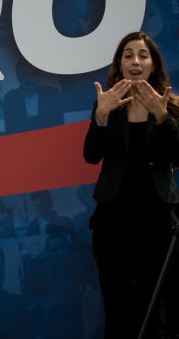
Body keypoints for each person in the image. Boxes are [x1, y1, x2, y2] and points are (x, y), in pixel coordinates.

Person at [83, 31, 179, 339]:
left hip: (157, 224)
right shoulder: (109, 104)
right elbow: (90, 156)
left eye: (142, 55)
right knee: (117, 306)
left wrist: (162, 117)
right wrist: (100, 115)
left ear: (153, 65)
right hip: (113, 223)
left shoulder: (169, 105)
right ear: (120, 64)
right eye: (128, 55)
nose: (135, 61)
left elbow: (176, 155)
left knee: (156, 307)